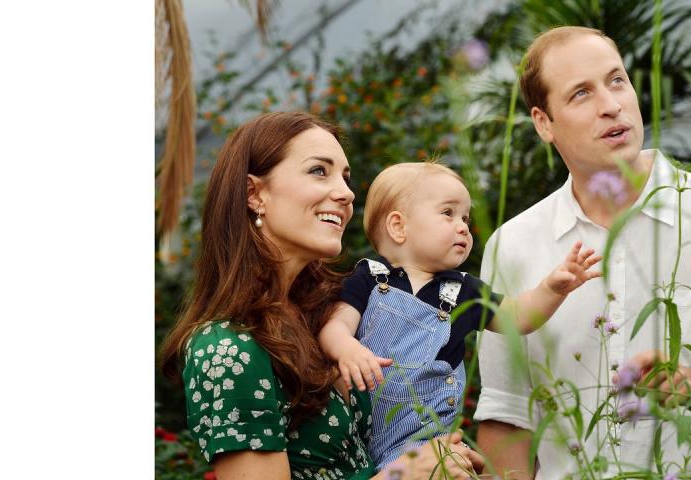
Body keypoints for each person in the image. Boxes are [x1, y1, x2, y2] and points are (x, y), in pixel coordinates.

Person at [472, 26, 691, 478]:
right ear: (544, 123)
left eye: (616, 80)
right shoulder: (513, 244)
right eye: (581, 93)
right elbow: (508, 417)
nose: (611, 104)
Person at [158, 111, 484, 480]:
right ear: (254, 193)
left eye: (346, 178)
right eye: (318, 171)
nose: (346, 193)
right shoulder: (228, 348)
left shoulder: (327, 317)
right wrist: (403, 474)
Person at [318, 161, 603, 470]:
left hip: (426, 443)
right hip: (359, 435)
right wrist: (347, 348)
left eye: (466, 218)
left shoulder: (463, 290)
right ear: (399, 226)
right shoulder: (370, 278)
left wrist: (552, 288)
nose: (463, 226)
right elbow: (335, 326)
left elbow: (519, 317)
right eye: (448, 213)